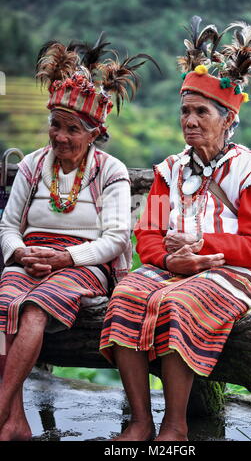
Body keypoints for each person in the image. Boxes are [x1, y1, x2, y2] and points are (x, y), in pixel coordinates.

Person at [99, 16, 251, 441]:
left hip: (234, 271)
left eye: (201, 111)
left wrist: (199, 245)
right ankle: (140, 422)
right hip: (173, 266)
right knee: (125, 296)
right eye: (184, 111)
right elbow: (147, 233)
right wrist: (173, 257)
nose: (189, 120)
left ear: (227, 119)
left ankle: (175, 427)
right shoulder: (169, 170)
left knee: (180, 304)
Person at [0, 35, 156, 441]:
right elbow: (7, 224)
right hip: (30, 255)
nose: (60, 136)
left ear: (93, 134)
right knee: (3, 308)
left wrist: (65, 260)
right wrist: (19, 253)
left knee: (34, 307)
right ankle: (14, 422)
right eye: (56, 125)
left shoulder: (111, 171)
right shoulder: (34, 164)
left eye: (72, 129)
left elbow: (117, 238)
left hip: (85, 264)